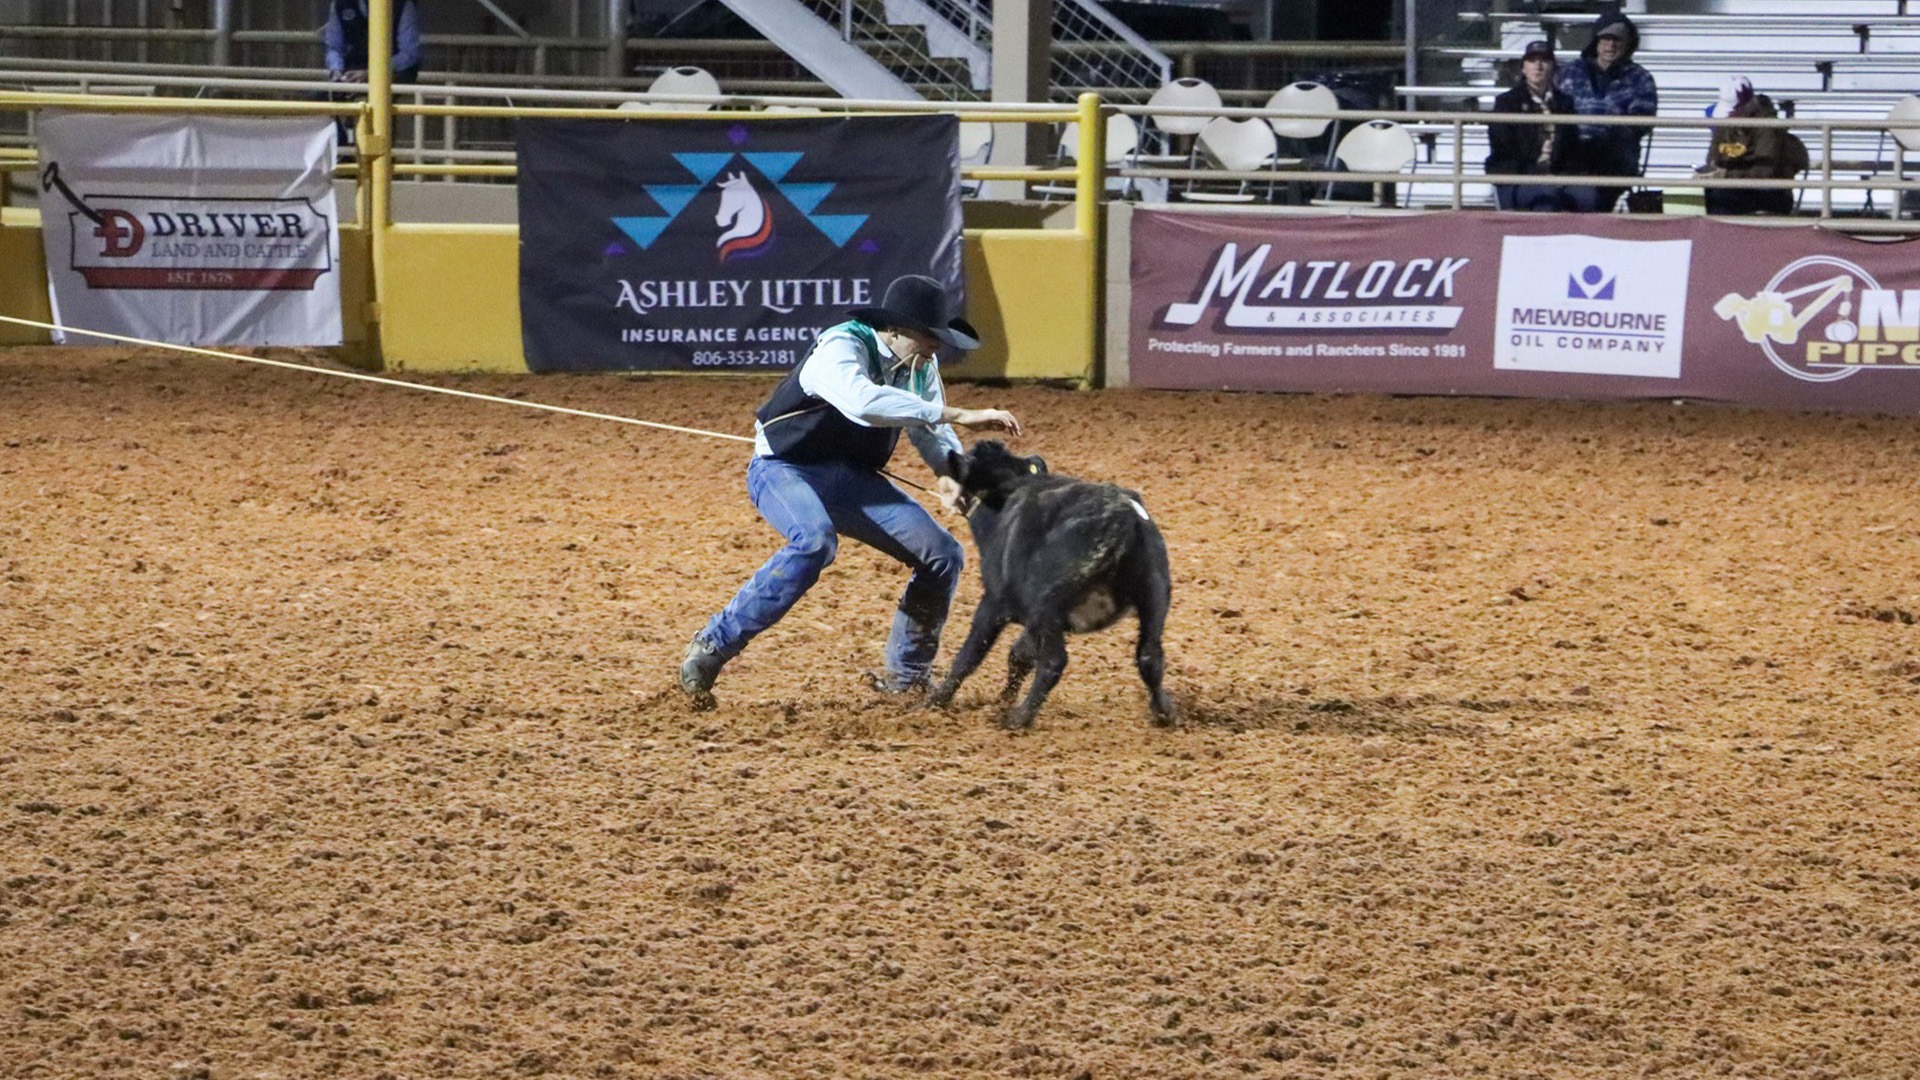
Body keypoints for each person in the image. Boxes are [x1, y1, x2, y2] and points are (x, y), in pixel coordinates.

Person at [677, 274, 1024, 709]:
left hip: (850, 480)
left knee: (942, 555)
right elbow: (863, 403)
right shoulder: (841, 346)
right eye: (929, 336)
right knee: (814, 542)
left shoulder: (920, 364)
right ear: (894, 329)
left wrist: (951, 476)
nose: (936, 347)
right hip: (783, 469)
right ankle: (713, 644)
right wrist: (958, 413)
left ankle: (907, 679)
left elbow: (931, 431)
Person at [1556, 11, 1658, 213]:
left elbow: (1642, 119)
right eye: (1605, 38)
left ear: (1628, 44)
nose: (1610, 45)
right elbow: (1553, 107)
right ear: (1596, 41)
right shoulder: (1571, 71)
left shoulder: (1640, 78)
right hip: (1571, 150)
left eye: (1617, 40)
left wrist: (1608, 135)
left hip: (1614, 155)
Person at [1485, 40, 1576, 212]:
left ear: (1553, 67)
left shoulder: (1565, 103)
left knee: (1588, 197)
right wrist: (1537, 165)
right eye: (1532, 60)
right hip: (1518, 176)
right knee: (1546, 196)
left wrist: (1559, 171)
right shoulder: (1506, 102)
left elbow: (1571, 145)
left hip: (1558, 174)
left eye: (1544, 60)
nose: (1538, 66)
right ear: (1523, 68)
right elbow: (1503, 149)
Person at [1698, 77, 1808, 216]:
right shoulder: (1724, 126)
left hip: (1769, 193)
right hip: (1732, 188)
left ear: (1748, 106)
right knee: (1698, 196)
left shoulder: (1768, 127)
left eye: (1733, 111)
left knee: (1718, 200)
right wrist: (1708, 172)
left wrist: (1725, 174)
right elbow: (1713, 158)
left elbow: (1764, 172)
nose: (1729, 116)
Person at [323, 0, 423, 86]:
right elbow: (333, 47)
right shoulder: (340, 3)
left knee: (365, 100)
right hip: (352, 74)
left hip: (392, 78)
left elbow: (410, 54)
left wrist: (372, 73)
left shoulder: (402, 4)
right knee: (317, 96)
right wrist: (336, 70)